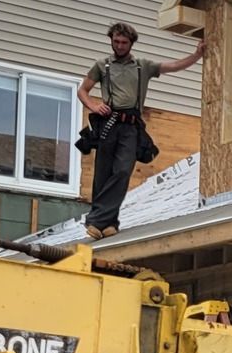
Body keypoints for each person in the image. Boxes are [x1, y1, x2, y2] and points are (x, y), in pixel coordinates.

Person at [78, 22, 204, 238]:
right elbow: (83, 91)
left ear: (131, 43)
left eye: (123, 42)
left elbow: (173, 66)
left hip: (131, 126)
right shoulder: (102, 66)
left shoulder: (142, 66)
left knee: (123, 171)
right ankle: (109, 224)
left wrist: (196, 56)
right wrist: (94, 105)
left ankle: (96, 220)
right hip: (109, 123)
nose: (119, 46)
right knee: (102, 173)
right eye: (115, 41)